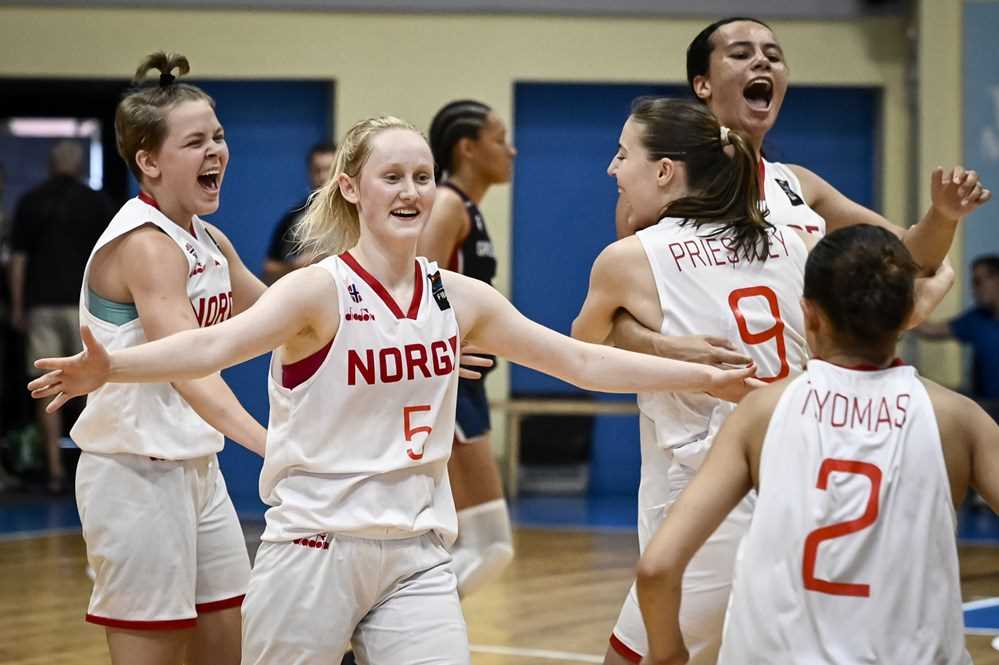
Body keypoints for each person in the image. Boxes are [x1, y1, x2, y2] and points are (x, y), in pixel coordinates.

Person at [29, 115, 760, 665]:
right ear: (351, 187)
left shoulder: (460, 299)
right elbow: (209, 345)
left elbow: (581, 361)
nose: (411, 191)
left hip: (415, 551)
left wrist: (704, 376)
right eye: (392, 176)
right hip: (316, 546)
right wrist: (111, 367)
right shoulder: (316, 290)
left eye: (421, 177)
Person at [599, 18, 992, 665]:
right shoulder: (663, 190)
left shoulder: (795, 184)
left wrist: (941, 221)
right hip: (695, 452)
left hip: (801, 440)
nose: (763, 62)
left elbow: (904, 254)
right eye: (742, 52)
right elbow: (607, 321)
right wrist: (680, 351)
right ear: (702, 83)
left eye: (773, 54)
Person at [636, 224, 999, 665]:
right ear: (908, 314)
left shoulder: (761, 413)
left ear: (810, 314)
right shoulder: (958, 420)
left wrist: (666, 653)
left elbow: (657, 569)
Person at [572, 97, 813, 665]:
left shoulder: (629, 259)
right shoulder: (789, 241)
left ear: (663, 171)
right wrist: (660, 342)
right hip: (799, 482)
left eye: (623, 154)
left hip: (711, 496)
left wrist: (648, 338)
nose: (612, 168)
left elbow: (584, 349)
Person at [55, 52, 267, 665]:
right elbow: (190, 366)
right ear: (149, 162)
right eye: (196, 141)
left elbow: (285, 317)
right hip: (133, 474)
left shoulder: (206, 238)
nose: (216, 152)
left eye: (219, 136)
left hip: (196, 467)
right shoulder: (148, 246)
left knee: (229, 642)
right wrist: (272, 444)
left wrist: (409, 329)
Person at [419, 99, 517, 597]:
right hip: (447, 385)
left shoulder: (466, 208)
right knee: (490, 546)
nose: (512, 150)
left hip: (466, 385)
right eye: (501, 139)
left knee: (474, 545)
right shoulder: (448, 204)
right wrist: (439, 351)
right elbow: (408, 289)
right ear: (468, 147)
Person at [8, 140, 115, 492]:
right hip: (85, 310)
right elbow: (110, 258)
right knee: (91, 385)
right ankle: (92, 464)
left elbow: (19, 262)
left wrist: (18, 306)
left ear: (51, 166)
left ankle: (55, 471)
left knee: (48, 388)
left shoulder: (31, 202)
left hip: (42, 306)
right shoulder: (97, 202)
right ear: (80, 165)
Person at [916, 255, 999, 400]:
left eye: (977, 282)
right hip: (990, 410)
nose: (974, 290)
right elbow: (929, 330)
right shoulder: (976, 319)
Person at [262, 141, 336, 284]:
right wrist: (295, 265)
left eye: (328, 170)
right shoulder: (295, 217)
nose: (323, 177)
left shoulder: (359, 212)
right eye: (317, 170)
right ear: (309, 173)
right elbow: (268, 269)